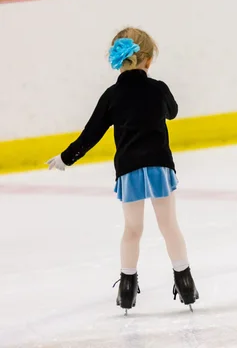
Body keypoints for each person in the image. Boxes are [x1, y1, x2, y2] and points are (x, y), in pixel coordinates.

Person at [46, 27, 199, 313]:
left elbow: (91, 134)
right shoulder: (158, 88)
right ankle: (185, 281)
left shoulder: (111, 95)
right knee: (169, 225)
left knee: (132, 229)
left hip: (128, 169)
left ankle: (127, 288)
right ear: (149, 60)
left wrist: (67, 158)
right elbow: (173, 111)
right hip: (158, 164)